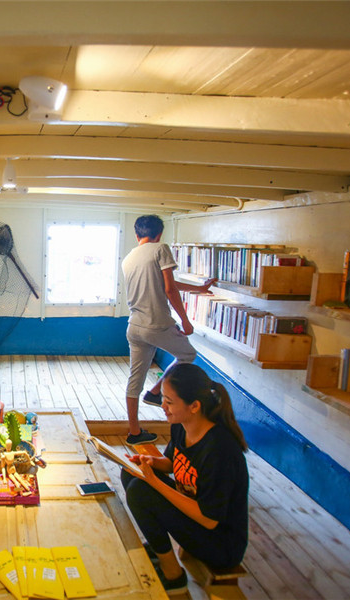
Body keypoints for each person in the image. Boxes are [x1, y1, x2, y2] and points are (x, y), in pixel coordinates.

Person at [121, 363, 249, 594]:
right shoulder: (182, 426)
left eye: (169, 402)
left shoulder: (220, 450)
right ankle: (158, 549)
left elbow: (209, 519)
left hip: (220, 543)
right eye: (164, 399)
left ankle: (174, 575)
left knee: (142, 491)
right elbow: (172, 463)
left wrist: (155, 483)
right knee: (131, 474)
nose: (163, 406)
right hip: (196, 518)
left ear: (194, 406)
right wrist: (148, 463)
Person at [121, 214, 215, 445]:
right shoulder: (160, 249)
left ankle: (134, 432)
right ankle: (155, 392)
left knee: (135, 378)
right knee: (187, 355)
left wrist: (198, 288)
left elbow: (163, 283)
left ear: (137, 234)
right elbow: (169, 289)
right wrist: (185, 320)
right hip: (157, 324)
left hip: (134, 326)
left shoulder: (130, 258)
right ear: (159, 234)